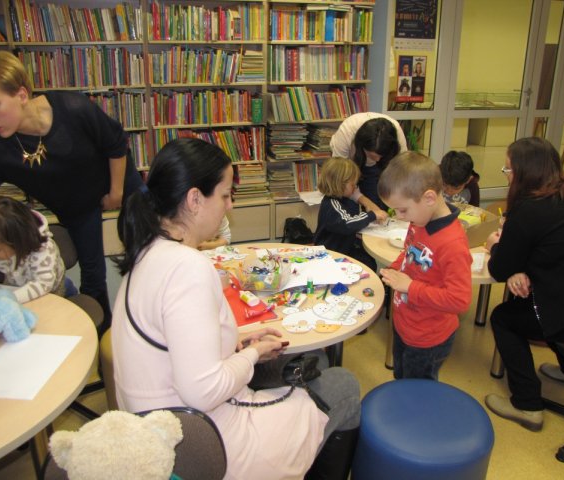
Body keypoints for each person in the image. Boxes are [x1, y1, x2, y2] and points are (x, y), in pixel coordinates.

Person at [112, 138, 361, 480]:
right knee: (344, 384)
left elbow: (176, 349)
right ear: (195, 199)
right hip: (204, 448)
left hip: (162, 435)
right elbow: (203, 392)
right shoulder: (187, 266)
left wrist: (237, 346)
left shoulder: (147, 253)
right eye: (226, 195)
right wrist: (251, 353)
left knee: (306, 364)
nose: (230, 206)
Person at [0, 50, 143, 334]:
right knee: (93, 276)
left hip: (119, 182)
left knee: (150, 246)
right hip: (77, 206)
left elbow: (116, 143)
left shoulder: (73, 107)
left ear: (21, 94)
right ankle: (99, 339)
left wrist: (116, 192)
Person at [484, 137, 564, 432]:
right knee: (540, 305)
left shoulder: (529, 209)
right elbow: (558, 249)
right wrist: (521, 267)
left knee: (505, 318)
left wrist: (495, 245)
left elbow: (499, 269)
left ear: (523, 173)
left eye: (508, 170)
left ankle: (527, 405)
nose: (507, 176)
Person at [377, 151, 472, 379]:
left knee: (417, 392)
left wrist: (410, 287)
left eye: (402, 210)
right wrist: (394, 268)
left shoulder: (452, 243)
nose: (399, 216)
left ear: (429, 198)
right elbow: (409, 252)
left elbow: (459, 300)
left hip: (428, 339)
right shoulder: (419, 220)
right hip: (406, 325)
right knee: (401, 379)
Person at [0, 196, 65, 304]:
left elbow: (43, 284)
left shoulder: (43, 250)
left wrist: (10, 298)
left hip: (49, 291)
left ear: (18, 242)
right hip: (14, 285)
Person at [314, 157, 386, 271]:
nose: (355, 188)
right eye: (353, 185)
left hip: (342, 246)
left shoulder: (340, 200)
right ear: (340, 184)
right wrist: (372, 215)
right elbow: (347, 223)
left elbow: (349, 222)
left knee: (369, 261)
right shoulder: (332, 205)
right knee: (367, 265)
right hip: (330, 255)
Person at [330, 112, 408, 212]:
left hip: (377, 167)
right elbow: (341, 182)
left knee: (379, 202)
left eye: (381, 156)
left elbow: (402, 174)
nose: (377, 159)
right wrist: (367, 203)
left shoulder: (397, 134)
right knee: (348, 205)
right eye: (372, 156)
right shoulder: (346, 134)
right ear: (361, 146)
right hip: (349, 161)